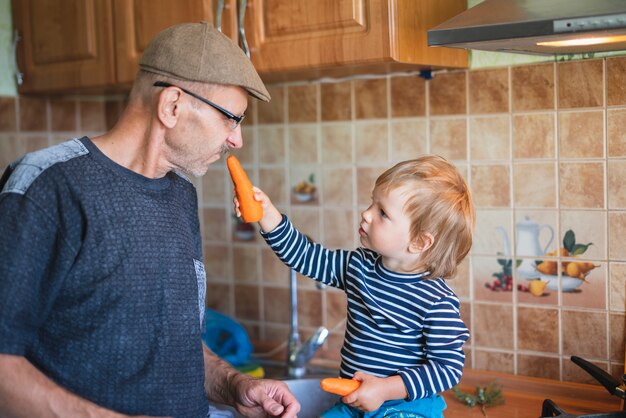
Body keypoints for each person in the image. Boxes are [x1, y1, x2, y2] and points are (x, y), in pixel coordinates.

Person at [0, 22, 300, 418]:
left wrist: (235, 385)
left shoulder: (180, 195)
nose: (236, 140)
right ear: (172, 106)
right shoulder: (47, 186)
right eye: (231, 118)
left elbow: (176, 346)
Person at [235, 156, 473, 417]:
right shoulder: (358, 266)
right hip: (352, 404)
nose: (367, 213)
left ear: (418, 242)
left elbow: (447, 368)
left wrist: (384, 389)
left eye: (382, 212)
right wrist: (268, 215)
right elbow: (304, 256)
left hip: (406, 408)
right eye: (373, 202)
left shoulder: (436, 300)